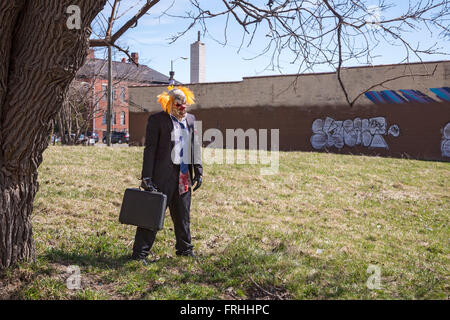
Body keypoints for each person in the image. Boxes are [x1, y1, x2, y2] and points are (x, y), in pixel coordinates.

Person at [131, 86, 203, 263]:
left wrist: (199, 171)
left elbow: (195, 147)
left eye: (184, 104)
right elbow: (150, 149)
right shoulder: (158, 120)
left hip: (184, 174)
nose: (182, 108)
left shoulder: (191, 120)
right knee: (152, 215)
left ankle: (185, 249)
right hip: (162, 175)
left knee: (183, 215)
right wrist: (147, 177)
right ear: (170, 104)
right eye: (178, 104)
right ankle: (140, 254)